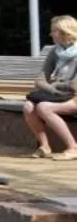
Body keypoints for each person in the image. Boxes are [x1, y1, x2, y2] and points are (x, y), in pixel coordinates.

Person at [23, 15, 77, 160]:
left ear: (66, 32)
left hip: (74, 96)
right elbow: (40, 79)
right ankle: (44, 146)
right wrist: (52, 89)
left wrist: (57, 84)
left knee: (44, 107)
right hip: (59, 95)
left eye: (54, 31)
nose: (51, 34)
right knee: (28, 106)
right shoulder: (55, 51)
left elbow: (75, 85)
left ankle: (73, 148)